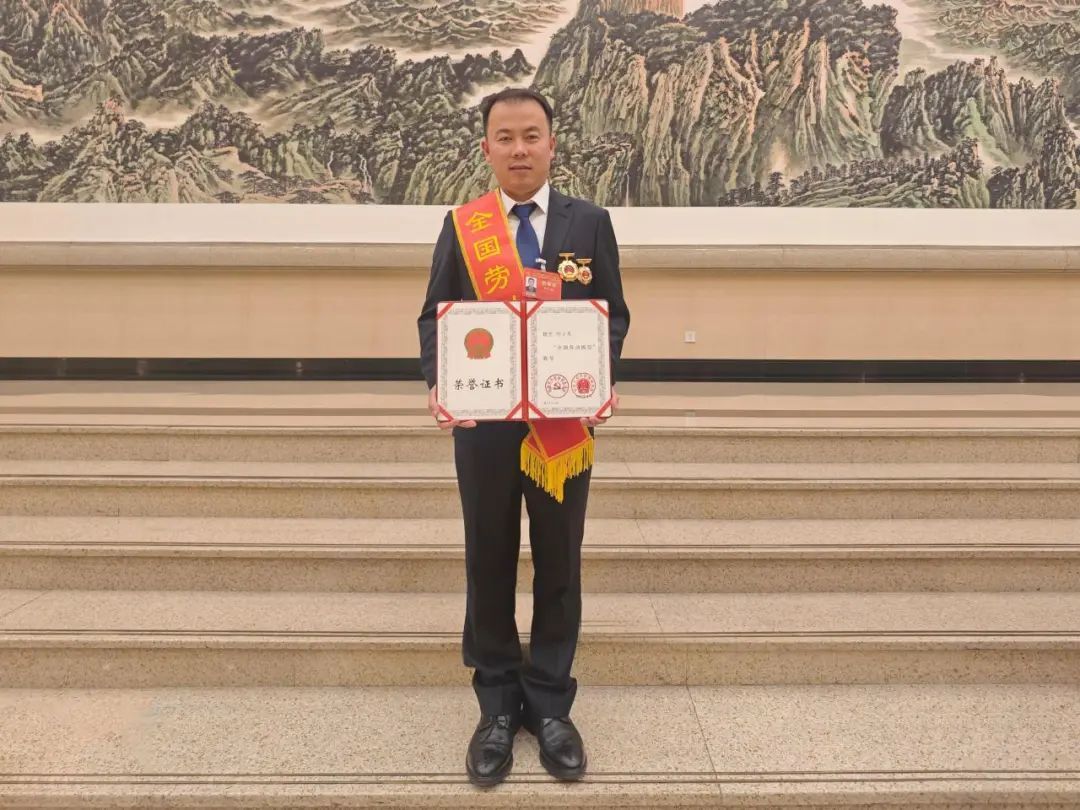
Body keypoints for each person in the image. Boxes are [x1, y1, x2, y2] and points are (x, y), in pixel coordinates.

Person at [416, 87, 630, 787]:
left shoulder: (588, 222)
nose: (519, 149)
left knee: (560, 560)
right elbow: (436, 315)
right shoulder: (465, 226)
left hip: (562, 425)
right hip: (484, 425)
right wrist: (440, 383)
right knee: (489, 558)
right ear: (486, 148)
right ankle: (498, 706)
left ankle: (551, 703)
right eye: (504, 137)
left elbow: (612, 315)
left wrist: (600, 375)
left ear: (551, 144)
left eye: (531, 135)